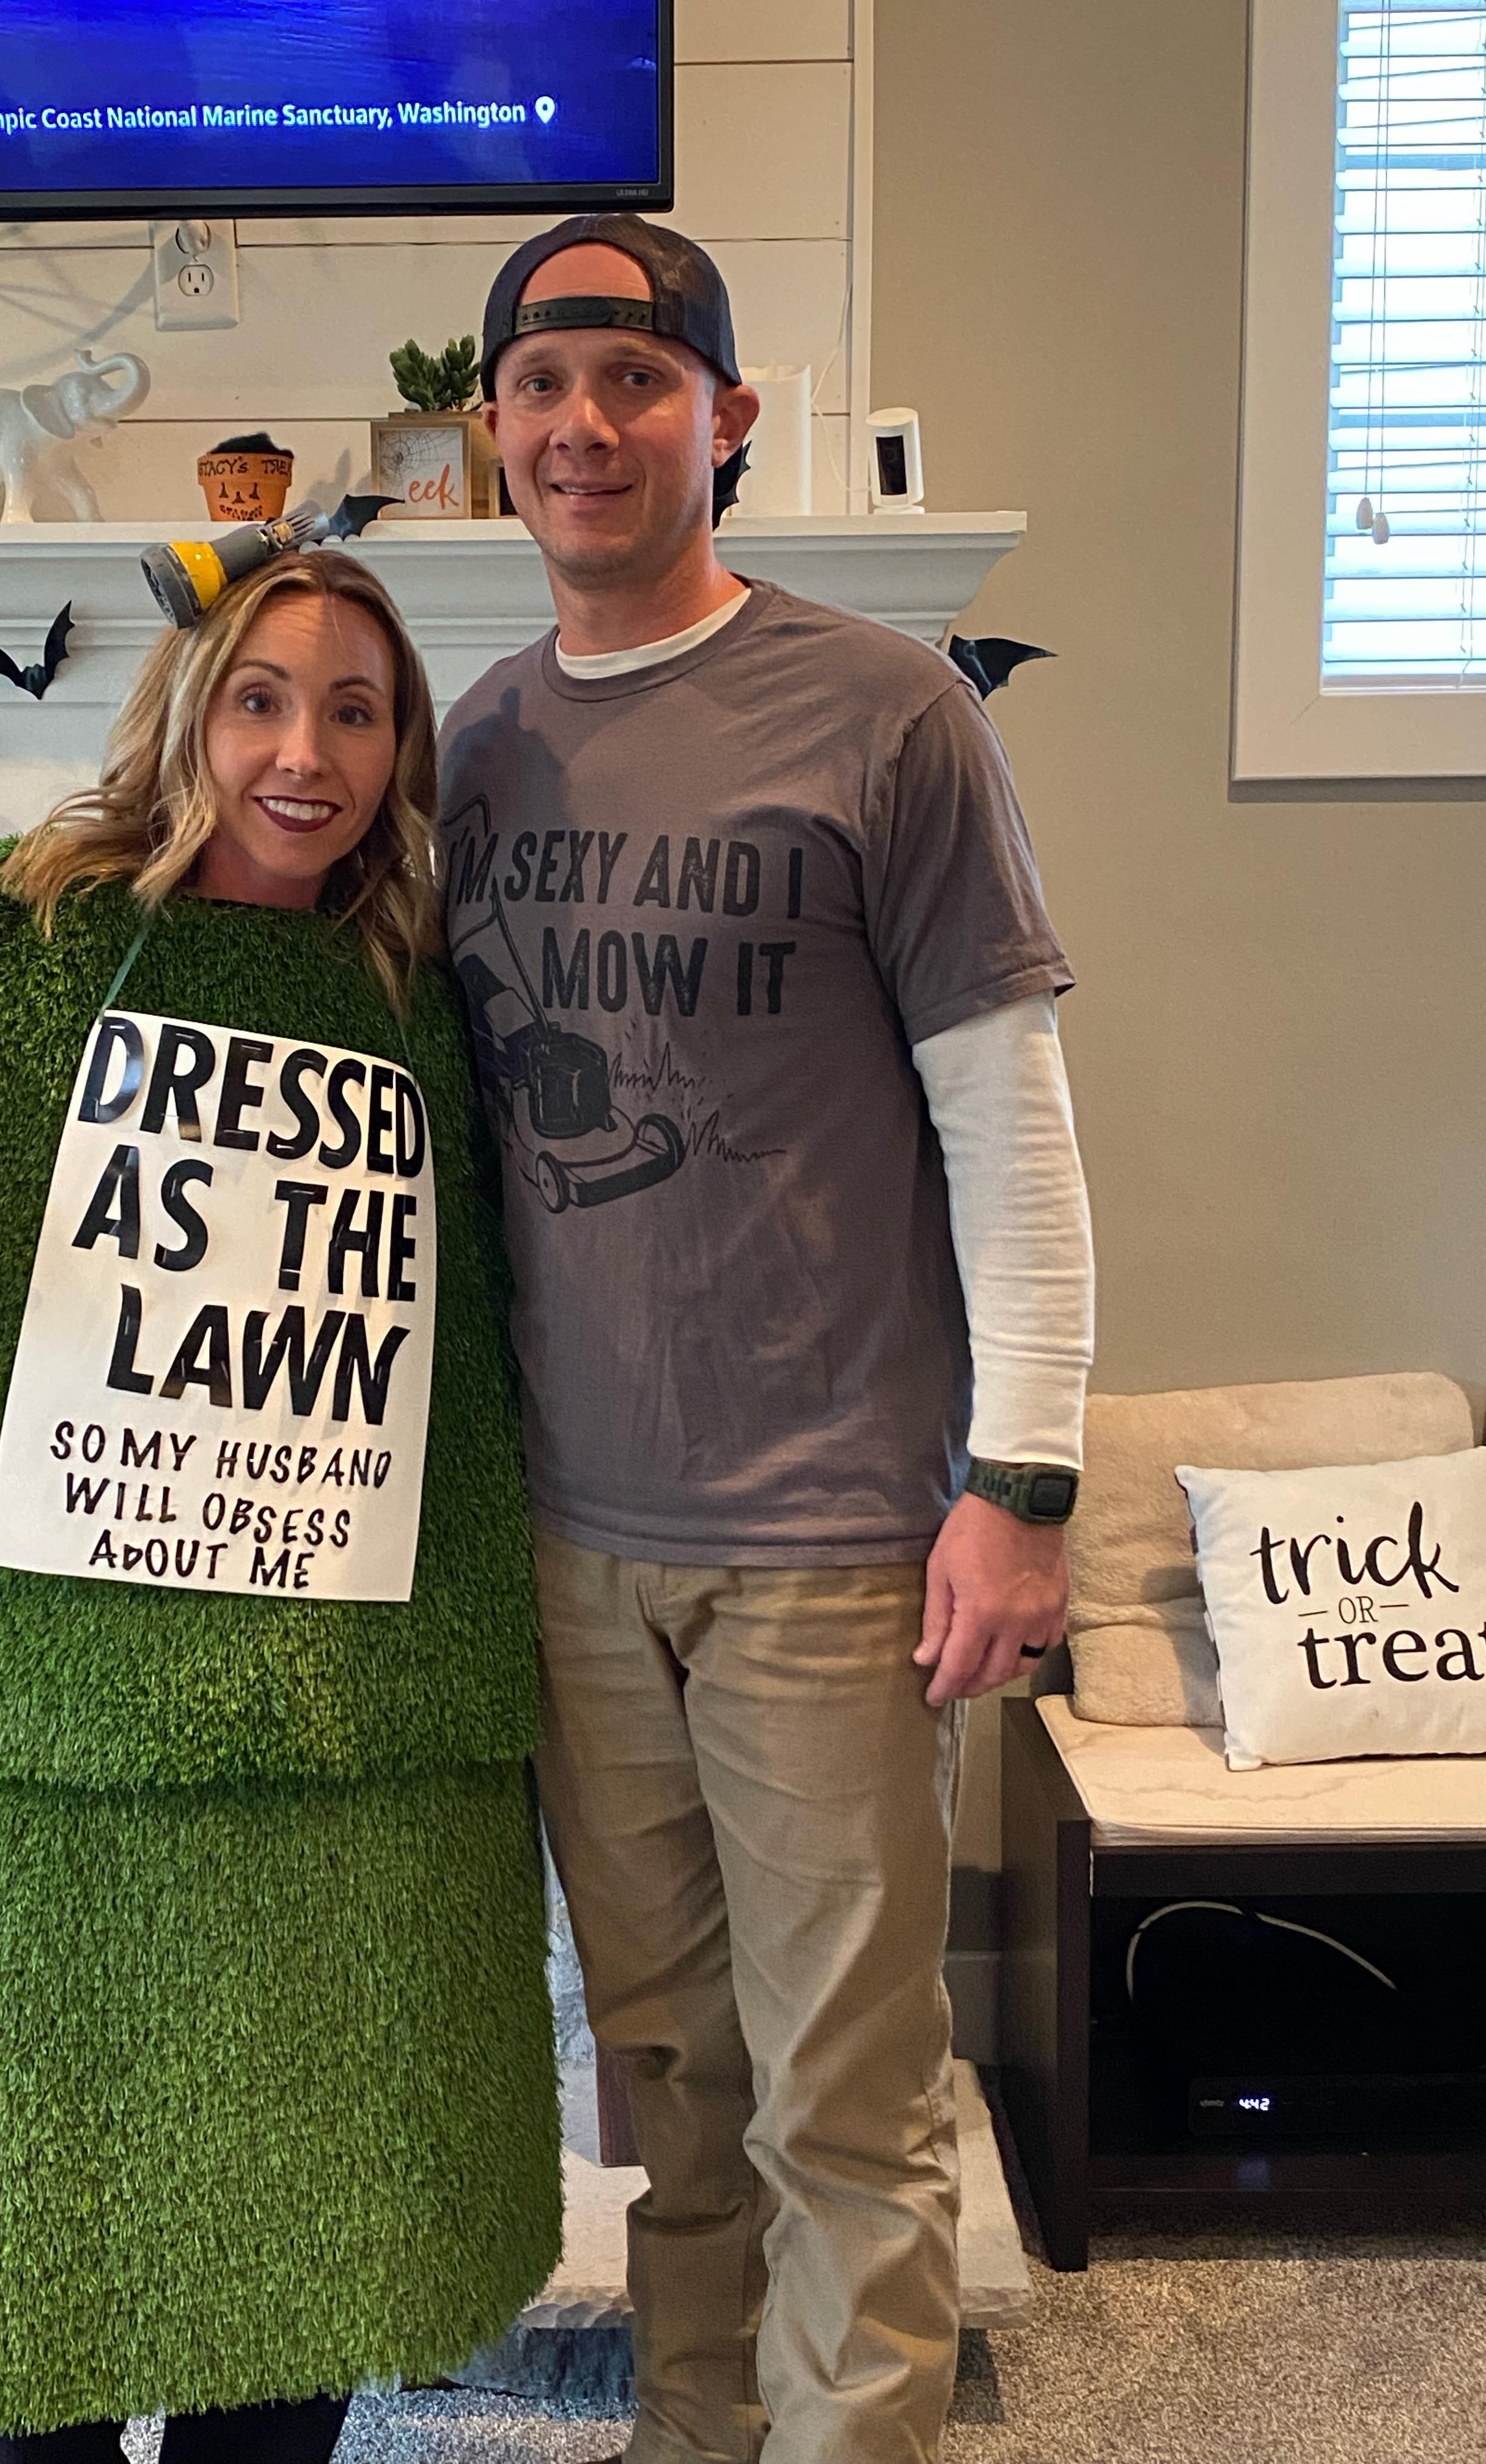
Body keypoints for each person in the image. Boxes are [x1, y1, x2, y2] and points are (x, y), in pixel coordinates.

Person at [0, 549, 561, 2462]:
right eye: (261, 699)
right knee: (15, 2287)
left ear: (402, 758)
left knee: (297, 2277)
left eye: (357, 712)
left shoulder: (423, 984)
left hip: (343, 1710)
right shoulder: (15, 924)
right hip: (21, 1708)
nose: (303, 752)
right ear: (189, 711)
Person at [438, 215, 1095, 2464]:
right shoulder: (479, 743)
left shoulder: (886, 707)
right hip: (568, 1542)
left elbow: (1011, 1124)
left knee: (845, 2099)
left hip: (835, 1537)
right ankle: (693, 2435)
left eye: (635, 378)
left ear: (723, 416)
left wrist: (1025, 1488)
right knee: (672, 2096)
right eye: (541, 382)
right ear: (490, 433)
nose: (583, 423)